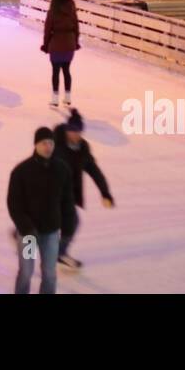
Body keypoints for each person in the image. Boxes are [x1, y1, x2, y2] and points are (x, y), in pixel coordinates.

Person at [6, 127, 73, 295]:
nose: (48, 147)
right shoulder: (22, 171)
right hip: (29, 235)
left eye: (51, 143)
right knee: (26, 272)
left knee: (50, 273)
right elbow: (14, 203)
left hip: (50, 233)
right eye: (44, 143)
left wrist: (68, 228)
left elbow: (67, 202)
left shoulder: (62, 169)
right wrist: (26, 227)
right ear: (36, 145)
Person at [51, 110, 114, 270]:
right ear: (66, 129)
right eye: (71, 130)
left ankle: (59, 253)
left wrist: (104, 192)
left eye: (78, 131)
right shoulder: (54, 144)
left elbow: (94, 171)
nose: (75, 134)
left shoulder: (83, 148)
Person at [42, 0, 80, 106]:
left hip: (56, 43)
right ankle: (67, 97)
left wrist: (45, 44)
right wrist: (75, 41)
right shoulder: (71, 9)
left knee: (55, 72)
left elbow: (47, 30)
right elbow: (76, 27)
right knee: (66, 70)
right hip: (69, 43)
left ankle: (55, 99)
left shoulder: (53, 11)